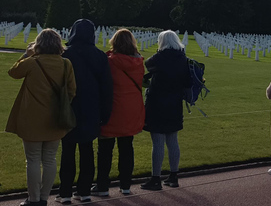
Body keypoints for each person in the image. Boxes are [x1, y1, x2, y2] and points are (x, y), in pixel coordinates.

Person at [6, 29, 76, 206]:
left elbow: (13, 72)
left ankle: (34, 199)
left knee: (33, 160)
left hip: (32, 118)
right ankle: (44, 198)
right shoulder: (66, 63)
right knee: (50, 159)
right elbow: (71, 91)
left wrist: (27, 53)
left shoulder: (31, 62)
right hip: (56, 119)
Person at [59, 19, 113, 203]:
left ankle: (65, 192)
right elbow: (107, 87)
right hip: (92, 107)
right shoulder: (100, 56)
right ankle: (84, 192)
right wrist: (106, 113)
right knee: (87, 150)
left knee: (67, 150)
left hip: (70, 106)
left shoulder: (66, 54)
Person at [93, 29, 145, 197]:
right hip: (131, 109)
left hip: (112, 108)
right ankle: (125, 185)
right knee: (126, 148)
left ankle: (102, 185)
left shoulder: (110, 61)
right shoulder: (138, 62)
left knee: (105, 150)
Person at [141, 30, 191, 190]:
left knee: (158, 142)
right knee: (172, 140)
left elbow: (147, 64)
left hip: (157, 103)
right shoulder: (183, 59)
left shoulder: (159, 58)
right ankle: (173, 176)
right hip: (175, 104)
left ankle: (155, 178)